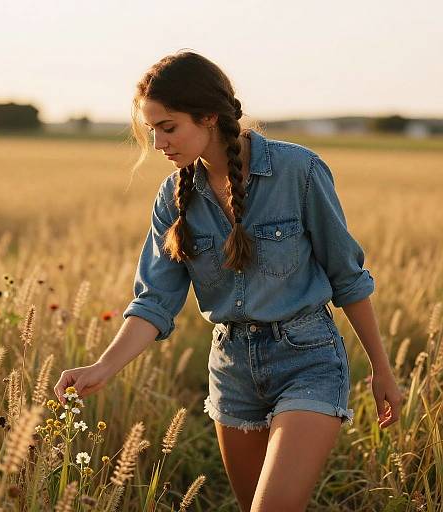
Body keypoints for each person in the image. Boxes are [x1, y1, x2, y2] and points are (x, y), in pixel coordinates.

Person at [54, 50, 403, 511]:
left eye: (169, 126)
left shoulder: (298, 171)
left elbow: (348, 277)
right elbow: (155, 301)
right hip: (232, 370)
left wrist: (381, 367)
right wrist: (101, 367)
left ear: (209, 117)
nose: (158, 142)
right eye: (151, 129)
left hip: (308, 360)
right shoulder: (173, 196)